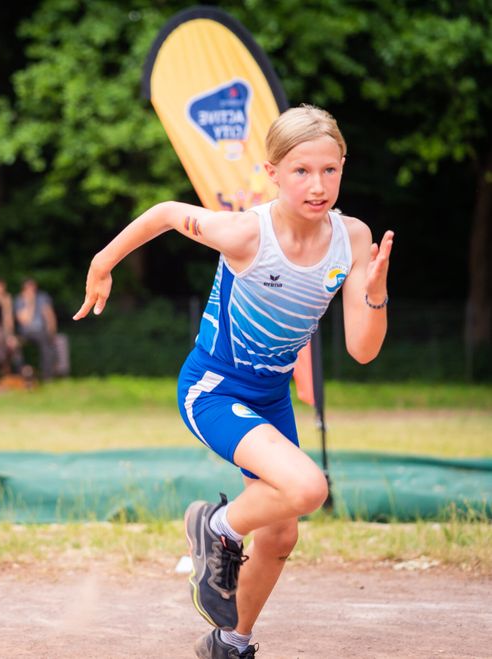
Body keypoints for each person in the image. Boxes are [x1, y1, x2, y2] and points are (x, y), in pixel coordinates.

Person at [74, 105, 393, 658]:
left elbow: (363, 351)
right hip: (214, 390)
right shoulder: (247, 233)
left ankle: (229, 641)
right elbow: (169, 213)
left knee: (282, 531)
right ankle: (216, 524)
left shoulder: (354, 239)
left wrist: (375, 290)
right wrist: (103, 262)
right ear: (272, 173)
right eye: (300, 171)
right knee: (309, 488)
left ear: (343, 167)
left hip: (271, 399)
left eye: (329, 170)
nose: (317, 186)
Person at [15, 278, 58, 380]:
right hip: (27, 332)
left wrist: (52, 331)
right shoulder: (20, 300)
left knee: (51, 342)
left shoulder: (42, 298)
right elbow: (25, 321)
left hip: (42, 332)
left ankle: (48, 375)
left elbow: (49, 315)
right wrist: (30, 303)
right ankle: (24, 374)